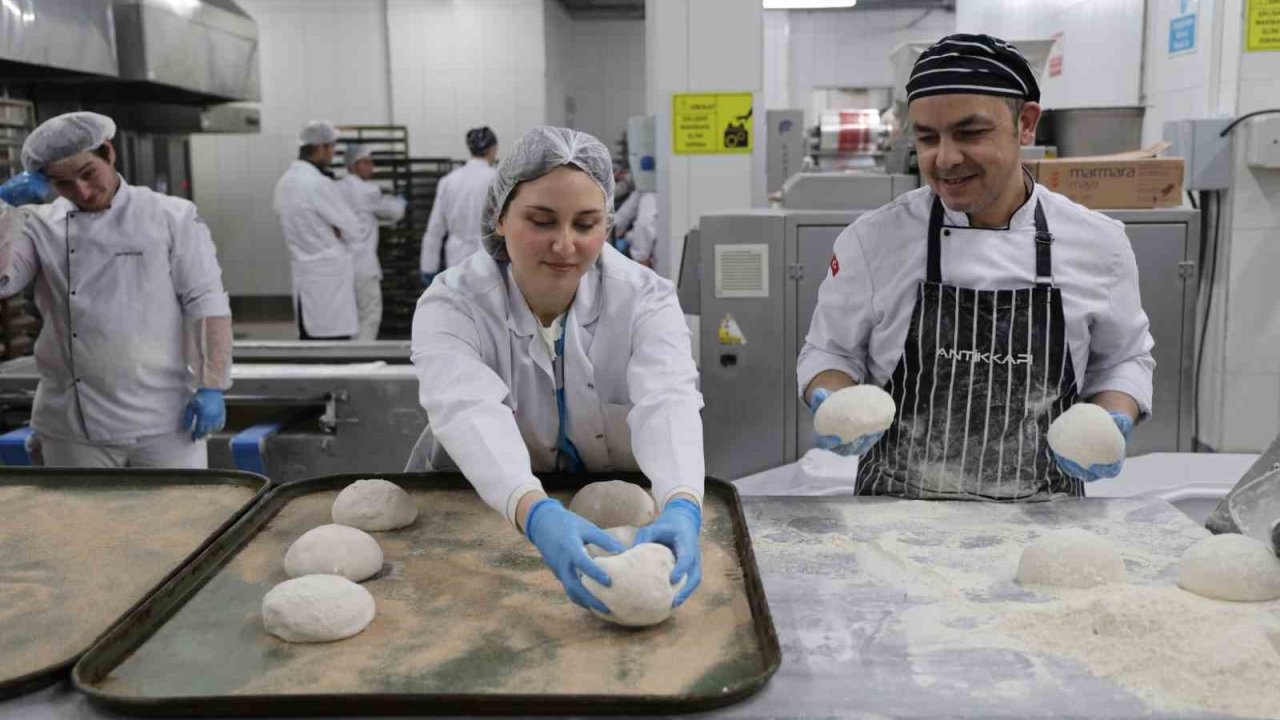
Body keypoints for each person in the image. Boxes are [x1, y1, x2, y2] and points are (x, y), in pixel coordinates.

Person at [799, 34, 1155, 500]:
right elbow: (829, 352)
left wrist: (1113, 417)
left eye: (970, 133)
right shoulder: (874, 240)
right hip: (894, 519)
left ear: (1025, 124)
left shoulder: (1098, 244)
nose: (944, 159)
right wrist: (833, 398)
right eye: (927, 137)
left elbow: (1123, 359)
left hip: (1045, 517)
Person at [407, 127, 704, 616]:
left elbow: (668, 399)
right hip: (474, 504)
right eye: (542, 221)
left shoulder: (644, 298)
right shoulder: (454, 302)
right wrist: (535, 511)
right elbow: (467, 408)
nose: (565, 246)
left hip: (610, 511)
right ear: (499, 217)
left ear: (607, 224)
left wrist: (682, 502)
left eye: (586, 224)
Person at [0, 111, 231, 468]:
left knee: (181, 522)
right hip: (71, 425)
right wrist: (3, 209)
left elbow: (205, 301)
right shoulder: (37, 224)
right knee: (82, 525)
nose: (83, 192)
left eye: (88, 173)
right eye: (63, 184)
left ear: (108, 152)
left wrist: (211, 384)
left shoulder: (170, 216)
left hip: (164, 418)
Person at [273, 121, 364, 341]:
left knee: (311, 345)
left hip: (304, 276)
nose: (333, 153)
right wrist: (337, 232)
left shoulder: (285, 183)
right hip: (330, 279)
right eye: (332, 147)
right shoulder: (317, 184)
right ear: (320, 147)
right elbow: (353, 228)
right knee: (334, 348)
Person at [333, 144, 407, 341]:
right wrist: (399, 202)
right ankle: (361, 357)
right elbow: (394, 213)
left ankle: (348, 355)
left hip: (340, 264)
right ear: (354, 165)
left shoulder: (335, 188)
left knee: (349, 315)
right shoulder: (367, 190)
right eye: (367, 162)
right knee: (371, 311)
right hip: (363, 263)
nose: (371, 167)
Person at [419, 127, 498, 286]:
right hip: (488, 258)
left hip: (456, 257)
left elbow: (435, 229)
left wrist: (428, 266)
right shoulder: (496, 179)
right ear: (492, 149)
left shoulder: (449, 181)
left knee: (458, 306)